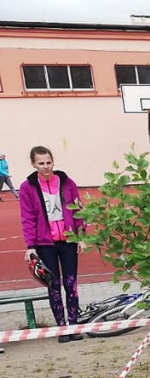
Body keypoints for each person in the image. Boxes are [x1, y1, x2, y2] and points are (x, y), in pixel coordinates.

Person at [18, 146, 86, 343]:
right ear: (33, 164)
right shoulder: (27, 187)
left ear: (53, 162)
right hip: (44, 243)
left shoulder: (67, 183)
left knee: (71, 283)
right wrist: (30, 246)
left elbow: (78, 210)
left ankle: (74, 325)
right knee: (53, 285)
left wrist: (80, 236)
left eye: (48, 162)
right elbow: (28, 217)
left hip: (68, 241)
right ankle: (62, 328)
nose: (46, 166)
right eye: (41, 163)